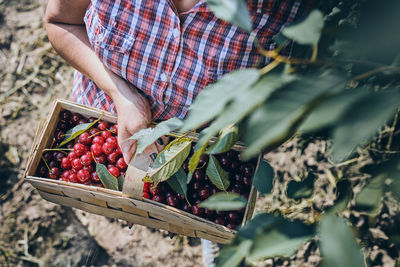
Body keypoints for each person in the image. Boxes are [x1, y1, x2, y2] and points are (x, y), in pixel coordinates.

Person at [45, 0, 315, 265]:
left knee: (201, 209)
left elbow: (294, 107)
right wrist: (120, 94)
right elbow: (60, 21)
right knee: (108, 191)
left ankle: (201, 229)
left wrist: (218, 149)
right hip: (102, 130)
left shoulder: (291, 11)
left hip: (201, 162)